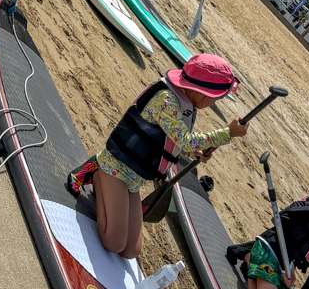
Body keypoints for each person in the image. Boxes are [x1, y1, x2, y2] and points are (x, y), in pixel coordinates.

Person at [66, 55, 249, 259]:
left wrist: (193, 153)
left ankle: (105, 187)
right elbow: (184, 140)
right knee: (113, 243)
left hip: (135, 178)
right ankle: (97, 172)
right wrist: (227, 134)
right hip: (117, 167)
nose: (215, 102)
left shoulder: (187, 103)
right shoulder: (166, 99)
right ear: (203, 93)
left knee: (130, 251)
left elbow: (169, 140)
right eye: (217, 98)